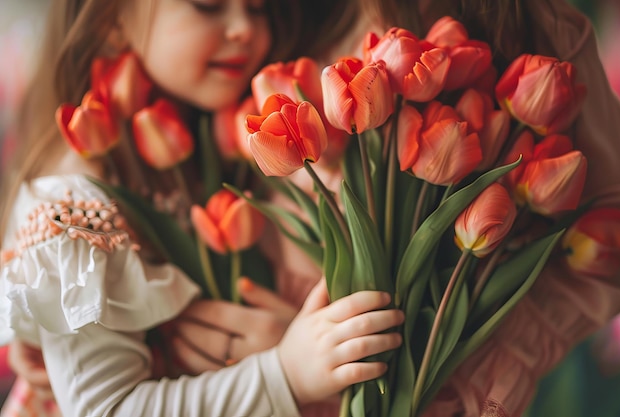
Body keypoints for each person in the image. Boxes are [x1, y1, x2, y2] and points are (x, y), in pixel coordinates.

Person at [0, 0, 405, 416]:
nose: (244, 29)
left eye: (259, 8)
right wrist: (284, 374)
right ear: (112, 18)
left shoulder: (198, 148)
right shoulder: (74, 209)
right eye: (208, 5)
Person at [350, 0, 620, 416]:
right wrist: (277, 364)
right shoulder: (298, 15)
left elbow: (615, 223)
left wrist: (484, 382)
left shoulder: (540, 25)